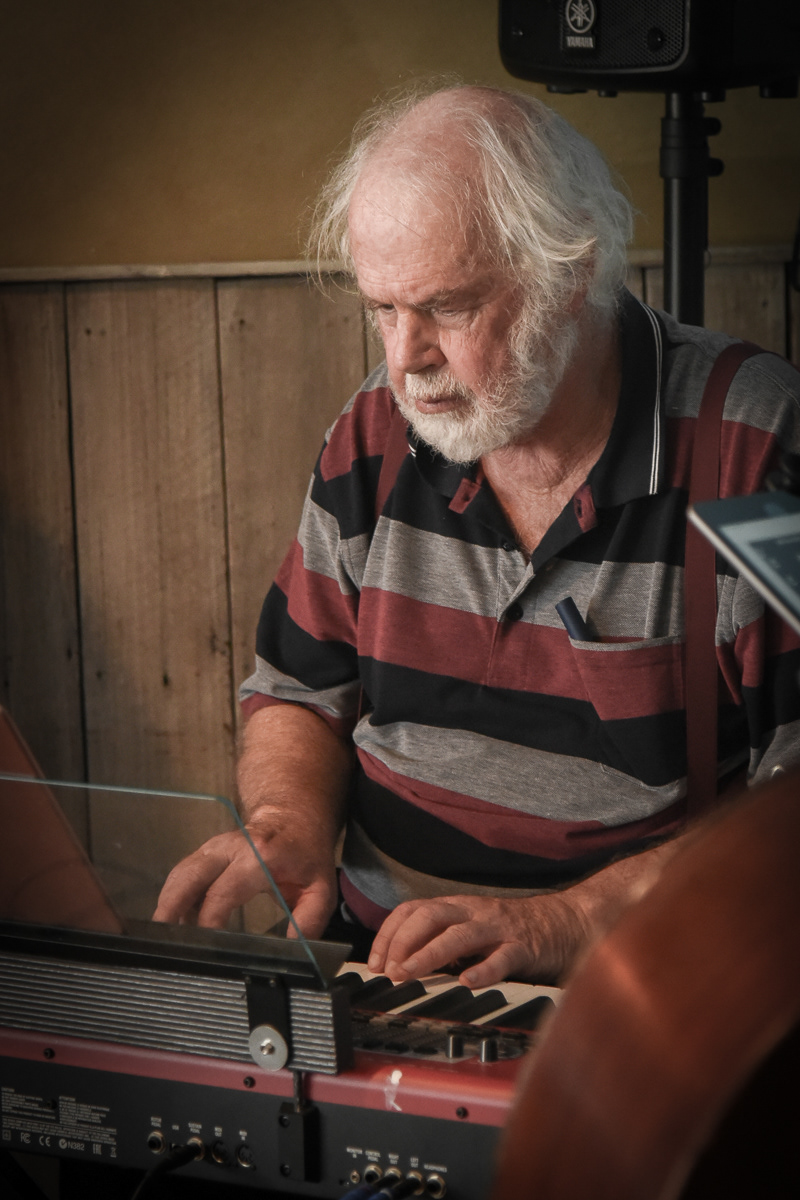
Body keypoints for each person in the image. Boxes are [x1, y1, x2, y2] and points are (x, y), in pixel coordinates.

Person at [154, 84, 800, 988]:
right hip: (379, 968)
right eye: (383, 310)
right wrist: (287, 826)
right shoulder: (376, 432)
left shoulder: (752, 442)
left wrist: (567, 921)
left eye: (446, 308)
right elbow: (300, 689)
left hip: (637, 993)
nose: (404, 360)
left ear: (571, 275)